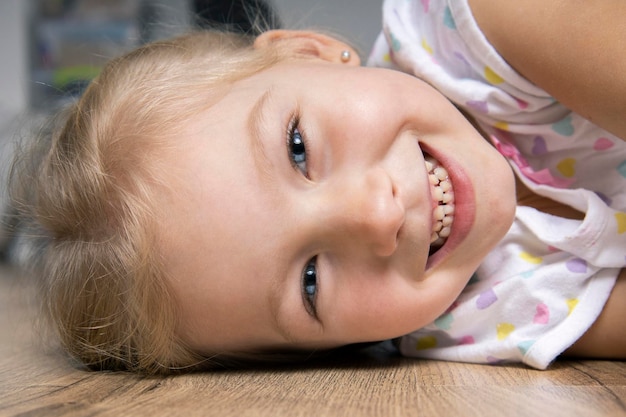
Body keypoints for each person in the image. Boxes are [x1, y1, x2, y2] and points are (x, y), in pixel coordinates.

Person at [10, 0, 625, 375]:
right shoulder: (461, 319)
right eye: (309, 282)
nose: (373, 215)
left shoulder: (482, 29)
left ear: (312, 51)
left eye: (298, 148)